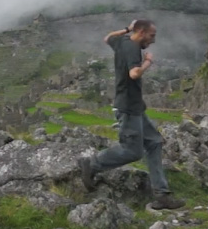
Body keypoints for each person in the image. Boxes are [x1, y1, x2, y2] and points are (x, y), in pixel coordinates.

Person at [78, 19, 185, 210]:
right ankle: (92, 163)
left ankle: (161, 194)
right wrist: (147, 63)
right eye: (152, 35)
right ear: (142, 32)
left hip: (136, 107)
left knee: (154, 142)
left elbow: (107, 38)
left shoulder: (122, 41)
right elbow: (134, 74)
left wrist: (127, 28)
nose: (153, 40)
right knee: (132, 151)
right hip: (128, 108)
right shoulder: (133, 48)